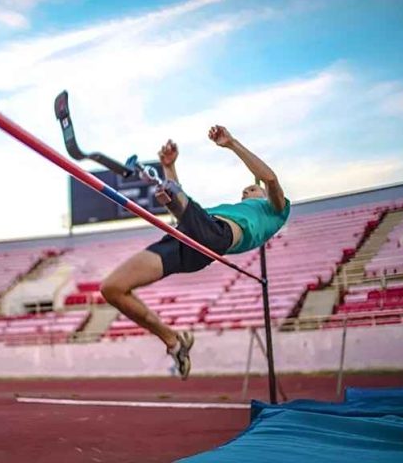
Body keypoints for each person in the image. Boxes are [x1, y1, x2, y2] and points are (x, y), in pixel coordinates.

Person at [100, 126, 290, 380]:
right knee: (112, 287)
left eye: (251, 189)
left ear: (263, 195)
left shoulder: (276, 210)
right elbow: (186, 215)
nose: (246, 191)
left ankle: (152, 178)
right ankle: (173, 340)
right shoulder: (222, 208)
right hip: (186, 238)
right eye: (245, 190)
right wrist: (169, 167)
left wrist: (231, 143)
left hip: (215, 236)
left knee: (183, 204)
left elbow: (270, 179)